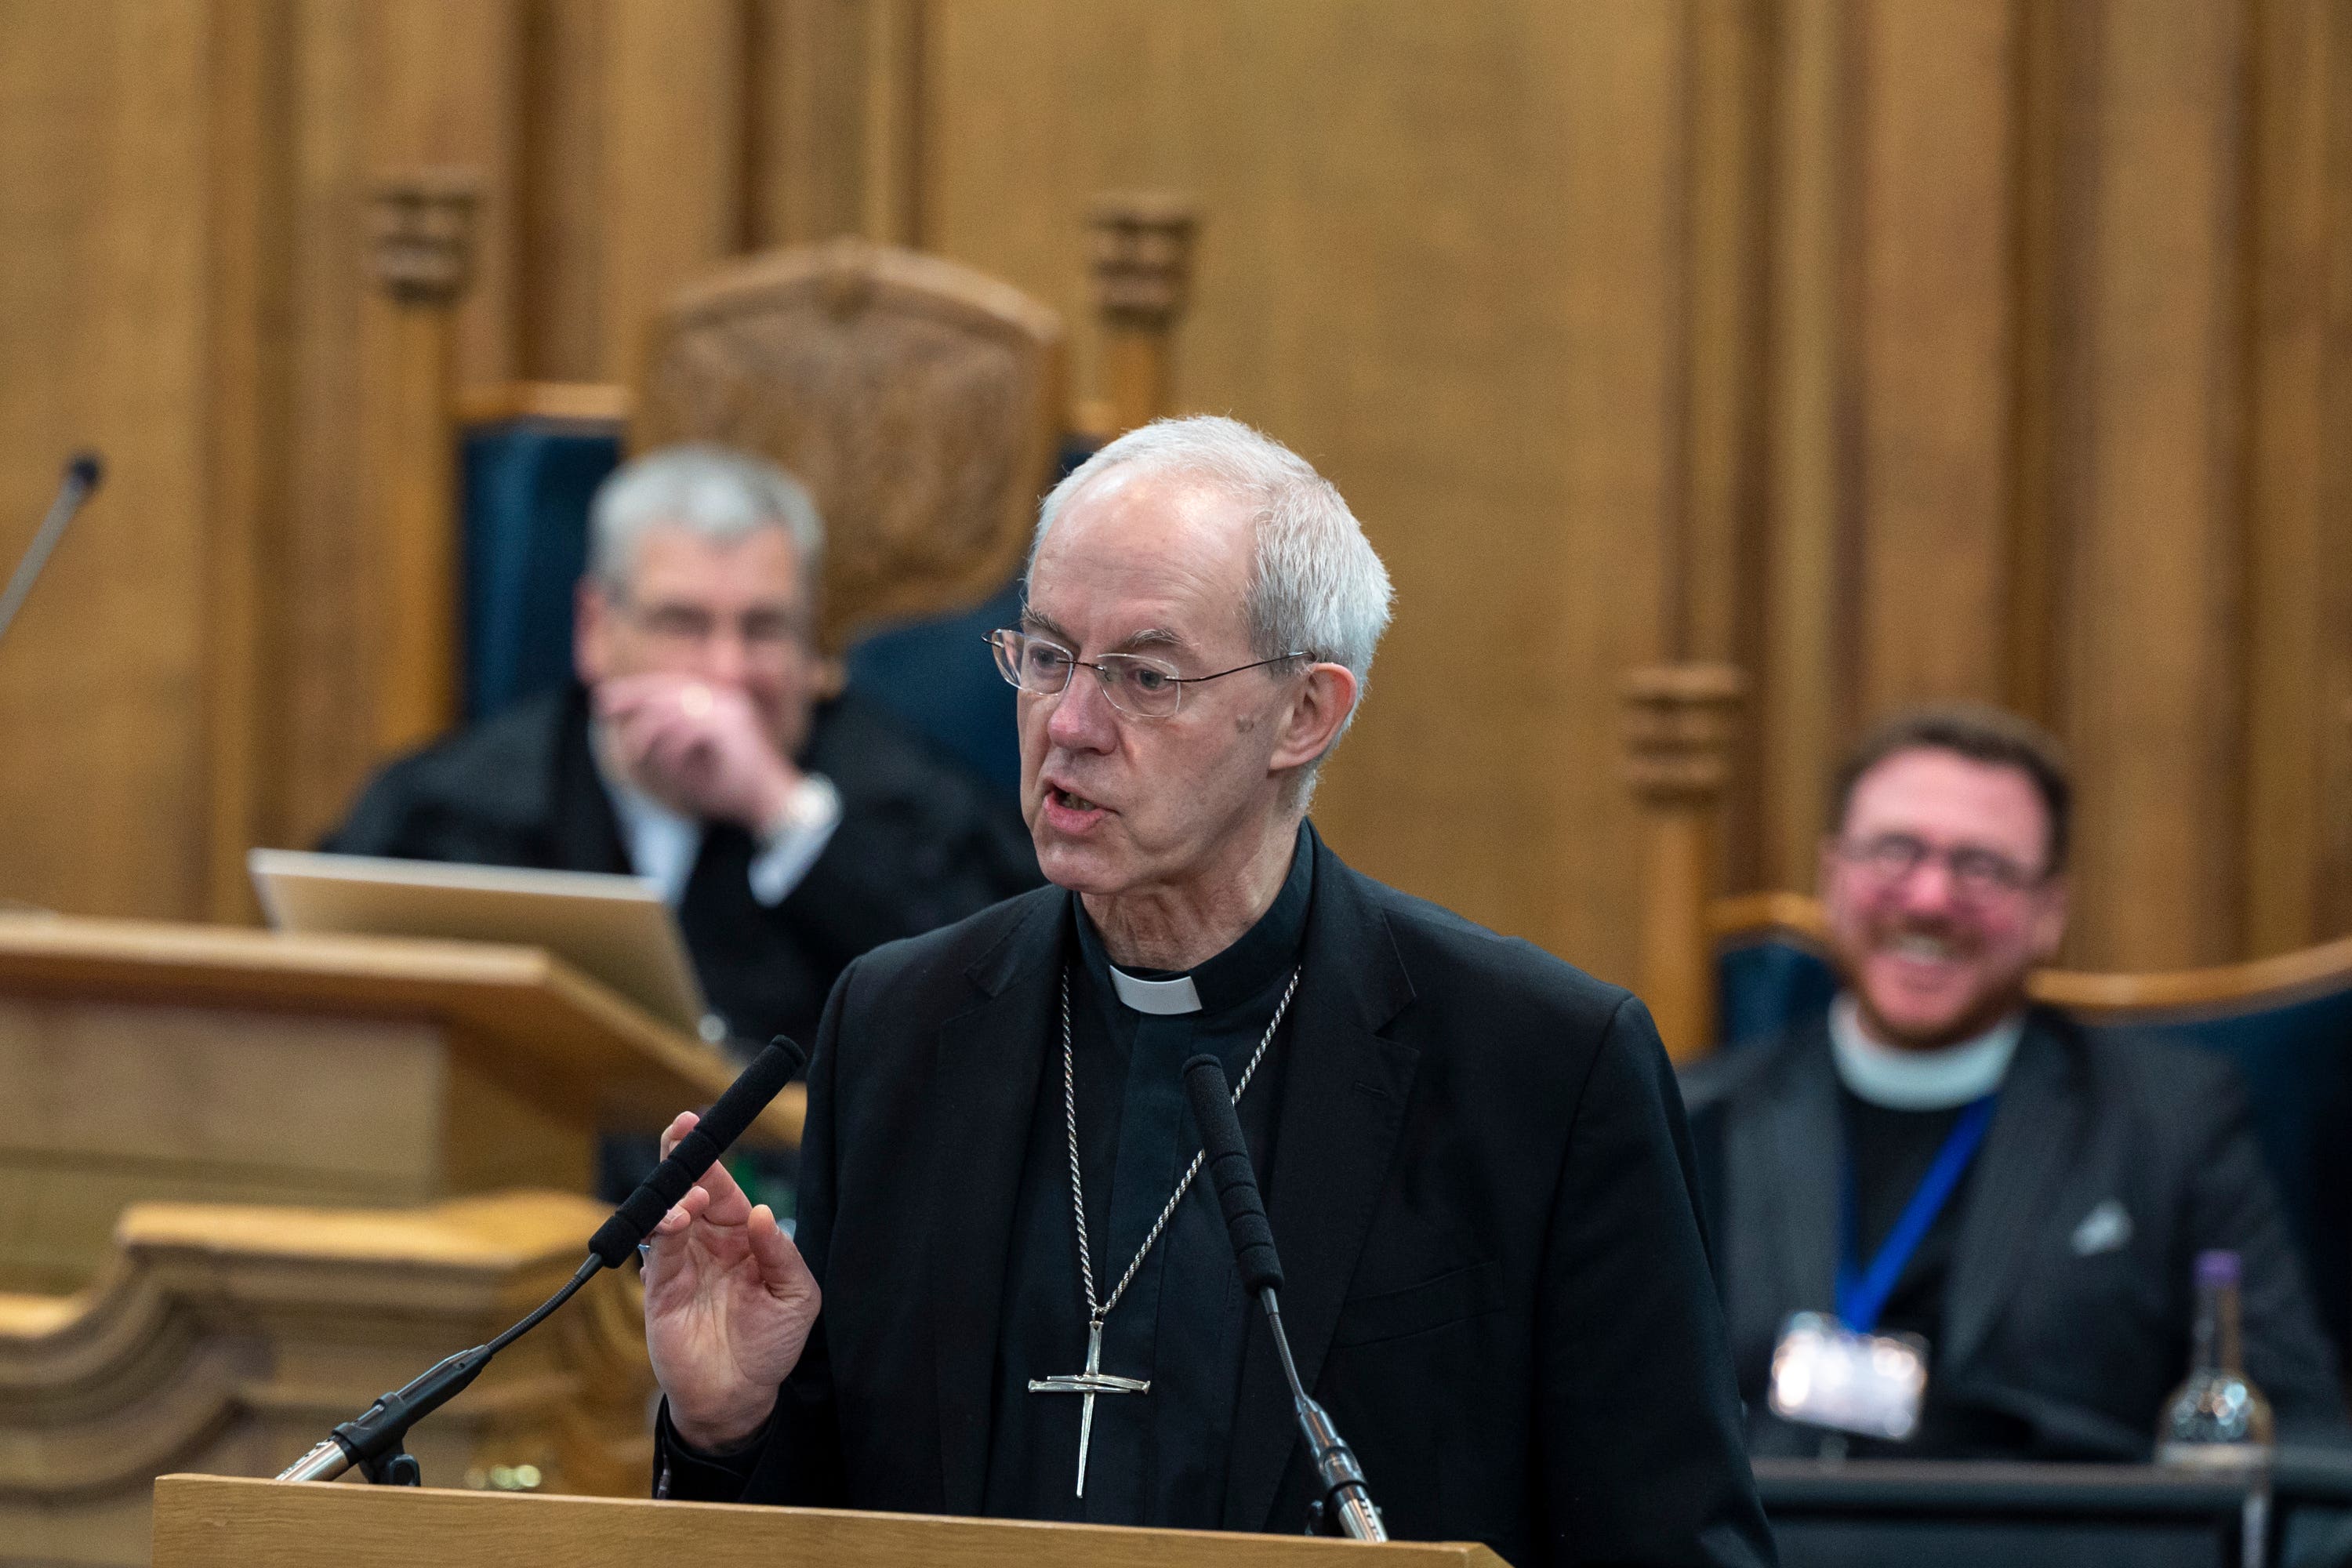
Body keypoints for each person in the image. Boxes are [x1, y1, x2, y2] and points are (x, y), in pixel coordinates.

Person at [639, 416, 1773, 1566]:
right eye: (1045, 656)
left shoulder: (1539, 1070)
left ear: (1305, 715)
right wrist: (729, 1425)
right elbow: (830, 1520)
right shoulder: (900, 1025)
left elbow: (1675, 1543)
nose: (1069, 726)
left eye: (1144, 675)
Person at [1684, 706, 2350, 1459]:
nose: (1931, 899)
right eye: (1895, 852)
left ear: (2049, 913)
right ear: (1832, 877)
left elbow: (2300, 1437)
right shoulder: (1698, 1118)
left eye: (1982, 867)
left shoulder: (2172, 1124)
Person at [326, 444, 1040, 1054]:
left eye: (762, 628)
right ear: (596, 629)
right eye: (683, 623)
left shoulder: (910, 800)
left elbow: (1003, 997)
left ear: (810, 646)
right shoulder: (452, 807)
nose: (725, 672)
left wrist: (782, 811)